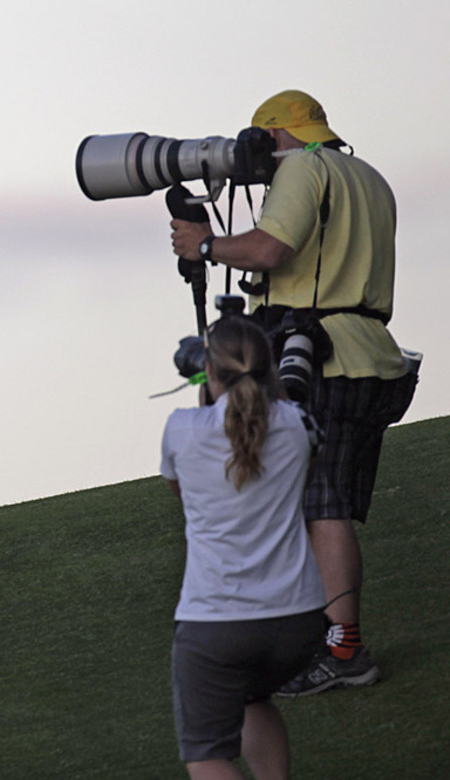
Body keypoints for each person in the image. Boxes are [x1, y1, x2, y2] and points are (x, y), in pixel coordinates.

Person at [170, 90, 415, 696]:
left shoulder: (303, 168)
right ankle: (329, 639)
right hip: (371, 355)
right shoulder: (368, 176)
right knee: (329, 501)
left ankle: (343, 651)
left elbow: (270, 250)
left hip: (322, 354)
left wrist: (203, 244)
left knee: (321, 505)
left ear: (275, 138)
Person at [162, 316, 327, 779]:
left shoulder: (180, 429)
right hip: (297, 620)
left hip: (215, 623)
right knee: (253, 697)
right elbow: (297, 459)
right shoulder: (299, 426)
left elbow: (184, 494)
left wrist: (203, 393)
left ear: (210, 372)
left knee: (207, 753)